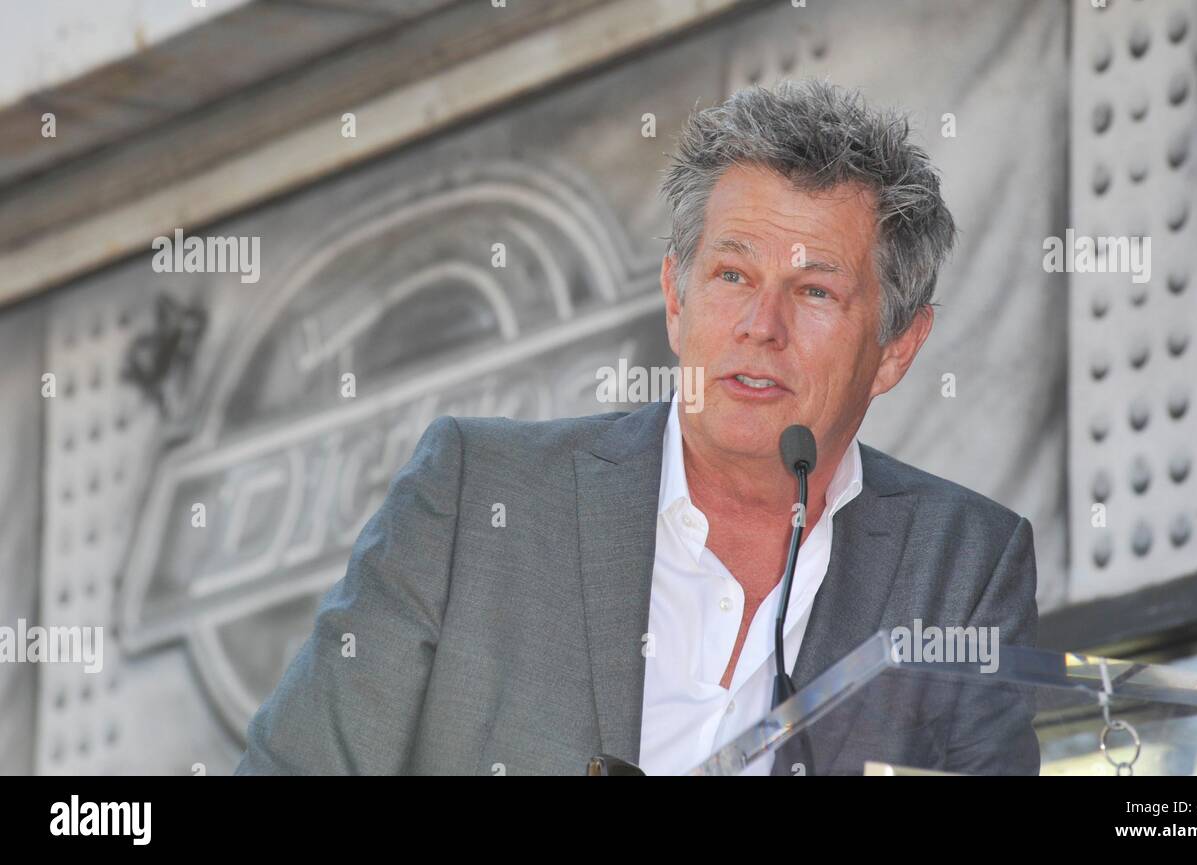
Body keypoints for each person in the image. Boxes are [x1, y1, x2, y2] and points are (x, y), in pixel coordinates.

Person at [236, 78, 1039, 776]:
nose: (761, 324)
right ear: (675, 297)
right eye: (731, 274)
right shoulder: (475, 494)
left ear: (897, 347)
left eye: (815, 291)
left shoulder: (962, 563)